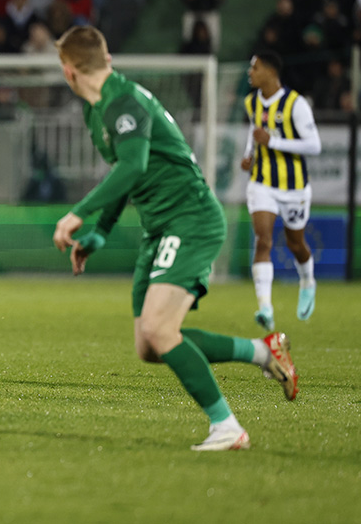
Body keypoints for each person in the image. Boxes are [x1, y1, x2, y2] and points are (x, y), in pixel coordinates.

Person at [51, 26, 298, 451]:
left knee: (160, 329)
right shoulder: (98, 110)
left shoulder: (123, 102)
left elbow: (132, 166)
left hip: (190, 220)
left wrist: (78, 213)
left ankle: (227, 427)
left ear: (69, 70)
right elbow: (128, 175)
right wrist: (99, 233)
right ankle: (264, 351)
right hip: (160, 227)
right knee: (150, 344)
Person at [240, 51, 322, 330]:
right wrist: (248, 154)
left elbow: (314, 145)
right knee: (263, 240)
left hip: (294, 187)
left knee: (295, 244)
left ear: (271, 72)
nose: (250, 72)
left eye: (255, 67)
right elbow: (255, 129)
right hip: (262, 182)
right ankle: (265, 308)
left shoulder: (295, 104)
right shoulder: (251, 101)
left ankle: (307, 281)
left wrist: (272, 143)